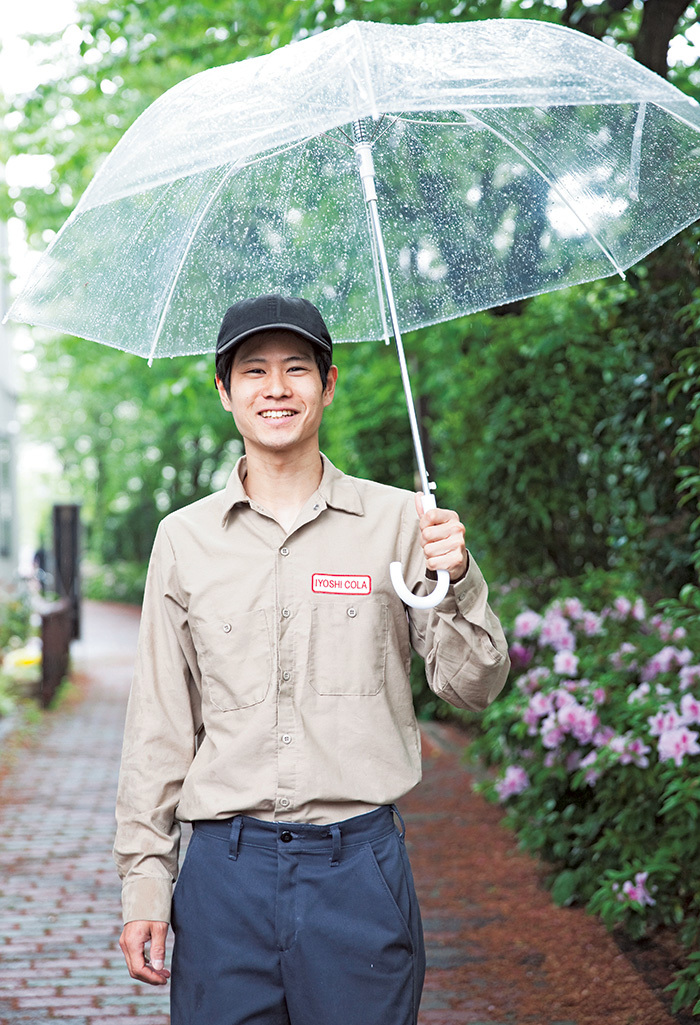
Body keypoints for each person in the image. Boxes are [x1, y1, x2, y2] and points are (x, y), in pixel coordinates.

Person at [114, 293, 510, 1025]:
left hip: (358, 873)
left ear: (327, 385)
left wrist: (457, 577)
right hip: (221, 879)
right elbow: (158, 726)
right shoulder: (184, 539)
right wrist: (146, 881)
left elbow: (473, 685)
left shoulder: (401, 522)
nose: (276, 387)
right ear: (224, 390)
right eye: (254, 370)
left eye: (297, 368)